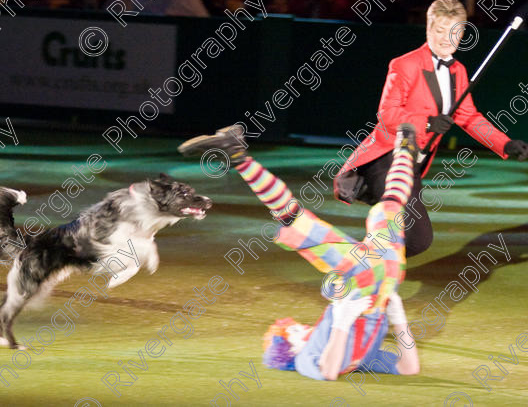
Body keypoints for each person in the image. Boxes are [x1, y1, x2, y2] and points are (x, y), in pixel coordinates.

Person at [178, 122, 420, 380]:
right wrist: (399, 321)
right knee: (391, 204)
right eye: (291, 332)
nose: (297, 326)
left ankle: (237, 155)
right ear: (290, 349)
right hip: (383, 281)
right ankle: (405, 151)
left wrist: (342, 319)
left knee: (294, 218)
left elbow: (331, 366)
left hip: (360, 278)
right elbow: (404, 368)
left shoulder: (320, 343)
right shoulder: (306, 358)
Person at [334, 0, 528, 257]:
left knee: (415, 240)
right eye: (440, 31)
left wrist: (504, 144)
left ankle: (357, 265)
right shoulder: (404, 64)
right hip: (389, 158)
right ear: (428, 29)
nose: (447, 39)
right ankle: (361, 270)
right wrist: (426, 122)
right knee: (415, 238)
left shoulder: (458, 71)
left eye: (454, 33)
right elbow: (387, 114)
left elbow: (469, 117)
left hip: (412, 164)